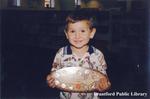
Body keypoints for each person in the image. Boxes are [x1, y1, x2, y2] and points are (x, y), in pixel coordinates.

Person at [46, 10, 111, 99]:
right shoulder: (61, 53)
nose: (77, 36)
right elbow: (54, 75)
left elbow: (104, 80)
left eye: (82, 31)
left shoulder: (97, 55)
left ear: (91, 33)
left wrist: (104, 86)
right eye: (72, 31)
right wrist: (50, 81)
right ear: (66, 34)